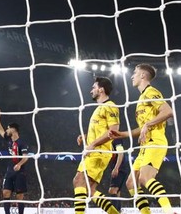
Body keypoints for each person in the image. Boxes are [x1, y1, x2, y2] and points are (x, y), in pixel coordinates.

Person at [109, 64, 175, 214]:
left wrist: (148, 125)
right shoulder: (141, 98)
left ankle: (169, 211)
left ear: (143, 76)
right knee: (131, 183)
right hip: (144, 146)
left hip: (155, 142)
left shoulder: (151, 92)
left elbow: (168, 111)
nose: (132, 76)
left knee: (145, 178)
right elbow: (142, 127)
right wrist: (123, 134)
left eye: (135, 73)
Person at [73, 77, 121, 214]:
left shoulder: (110, 106)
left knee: (78, 181)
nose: (91, 90)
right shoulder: (99, 108)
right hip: (97, 151)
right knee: (90, 191)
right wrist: (87, 137)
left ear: (101, 89)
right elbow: (102, 130)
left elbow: (114, 130)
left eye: (93, 87)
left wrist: (93, 144)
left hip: (99, 152)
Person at [0, 110, 29, 214]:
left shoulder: (22, 143)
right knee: (5, 193)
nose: (6, 130)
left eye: (8, 128)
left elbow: (25, 157)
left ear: (13, 129)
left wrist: (19, 164)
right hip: (10, 171)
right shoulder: (9, 140)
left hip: (20, 172)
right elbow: (1, 132)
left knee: (19, 196)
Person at [107, 139, 131, 211]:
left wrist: (116, 168)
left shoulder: (116, 140)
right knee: (117, 192)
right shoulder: (108, 141)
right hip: (120, 168)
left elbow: (121, 153)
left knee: (112, 190)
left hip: (120, 169)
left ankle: (114, 212)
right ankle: (118, 211)